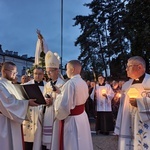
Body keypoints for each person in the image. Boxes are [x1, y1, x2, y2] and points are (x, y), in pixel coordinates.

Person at [55, 60, 93, 150]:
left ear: (72, 69)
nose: (66, 71)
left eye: (67, 69)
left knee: (72, 143)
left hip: (72, 119)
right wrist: (61, 93)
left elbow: (64, 105)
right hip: (82, 116)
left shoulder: (70, 83)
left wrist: (58, 97)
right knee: (83, 141)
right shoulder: (83, 82)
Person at [0, 61, 38, 150]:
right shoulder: (1, 85)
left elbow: (18, 100)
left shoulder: (11, 85)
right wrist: (27, 103)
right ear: (4, 71)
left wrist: (27, 101)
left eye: (15, 72)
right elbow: (9, 102)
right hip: (4, 121)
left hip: (13, 120)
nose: (15, 74)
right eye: (12, 72)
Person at [114, 56, 150, 150]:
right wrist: (118, 128)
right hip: (127, 125)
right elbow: (121, 109)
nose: (126, 69)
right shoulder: (126, 86)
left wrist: (140, 103)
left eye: (129, 66)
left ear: (139, 67)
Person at [34, 51, 65, 150]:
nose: (48, 74)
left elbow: (65, 101)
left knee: (55, 141)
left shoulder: (63, 84)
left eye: (50, 71)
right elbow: (42, 99)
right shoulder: (46, 85)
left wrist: (54, 101)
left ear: (57, 70)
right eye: (47, 72)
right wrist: (45, 102)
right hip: (47, 114)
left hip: (56, 116)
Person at [23, 67, 47, 150]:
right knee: (29, 140)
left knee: (41, 138)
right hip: (31, 114)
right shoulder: (26, 85)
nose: (37, 76)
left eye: (39, 74)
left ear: (43, 75)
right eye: (35, 74)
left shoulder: (48, 86)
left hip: (43, 115)